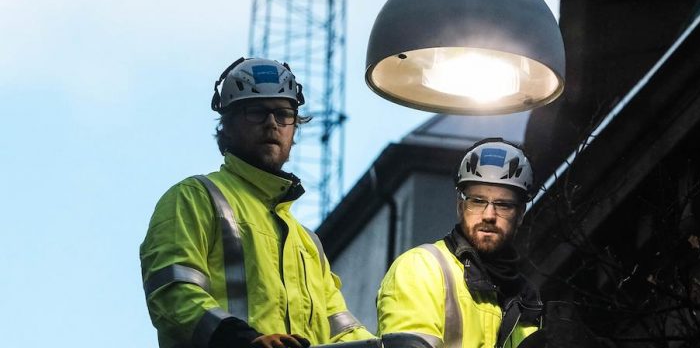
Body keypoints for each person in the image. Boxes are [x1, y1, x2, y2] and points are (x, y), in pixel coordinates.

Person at [140, 57, 375, 348]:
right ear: (226, 125)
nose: (272, 124)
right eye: (256, 112)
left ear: (294, 128)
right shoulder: (195, 197)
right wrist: (243, 341)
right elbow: (172, 292)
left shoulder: (307, 243)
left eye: (283, 114)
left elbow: (339, 327)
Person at [376, 138, 544, 348]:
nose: (489, 215)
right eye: (478, 201)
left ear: (520, 215)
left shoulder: (527, 302)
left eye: (503, 205)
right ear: (460, 206)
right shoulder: (422, 268)